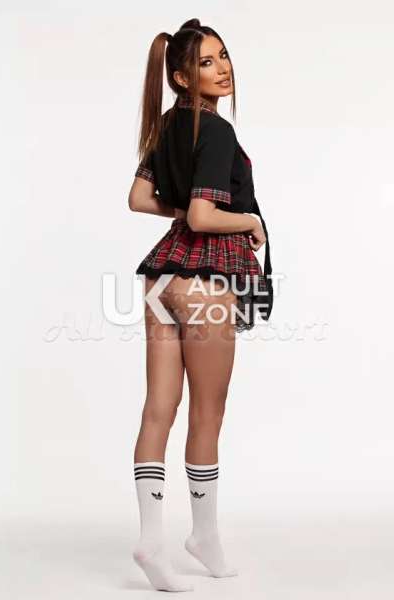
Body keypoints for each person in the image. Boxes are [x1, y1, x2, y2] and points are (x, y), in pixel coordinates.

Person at [128, 19, 273, 592]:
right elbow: (203, 216)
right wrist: (249, 220)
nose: (223, 67)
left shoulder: (166, 125)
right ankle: (203, 534)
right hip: (204, 283)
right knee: (207, 412)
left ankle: (151, 539)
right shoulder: (213, 130)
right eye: (207, 62)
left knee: (157, 408)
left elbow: (140, 198)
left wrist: (189, 210)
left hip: (160, 279)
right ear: (183, 77)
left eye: (223, 55)